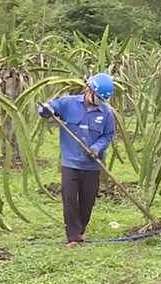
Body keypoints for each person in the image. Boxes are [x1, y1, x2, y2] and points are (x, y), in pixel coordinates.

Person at [39, 72, 116, 247]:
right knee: (70, 197)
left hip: (91, 164)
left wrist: (97, 147)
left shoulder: (106, 113)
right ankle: (72, 236)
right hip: (70, 161)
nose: (98, 100)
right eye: (97, 96)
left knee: (88, 199)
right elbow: (48, 109)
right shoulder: (68, 103)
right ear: (89, 90)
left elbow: (108, 134)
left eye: (101, 99)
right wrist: (46, 110)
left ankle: (80, 231)